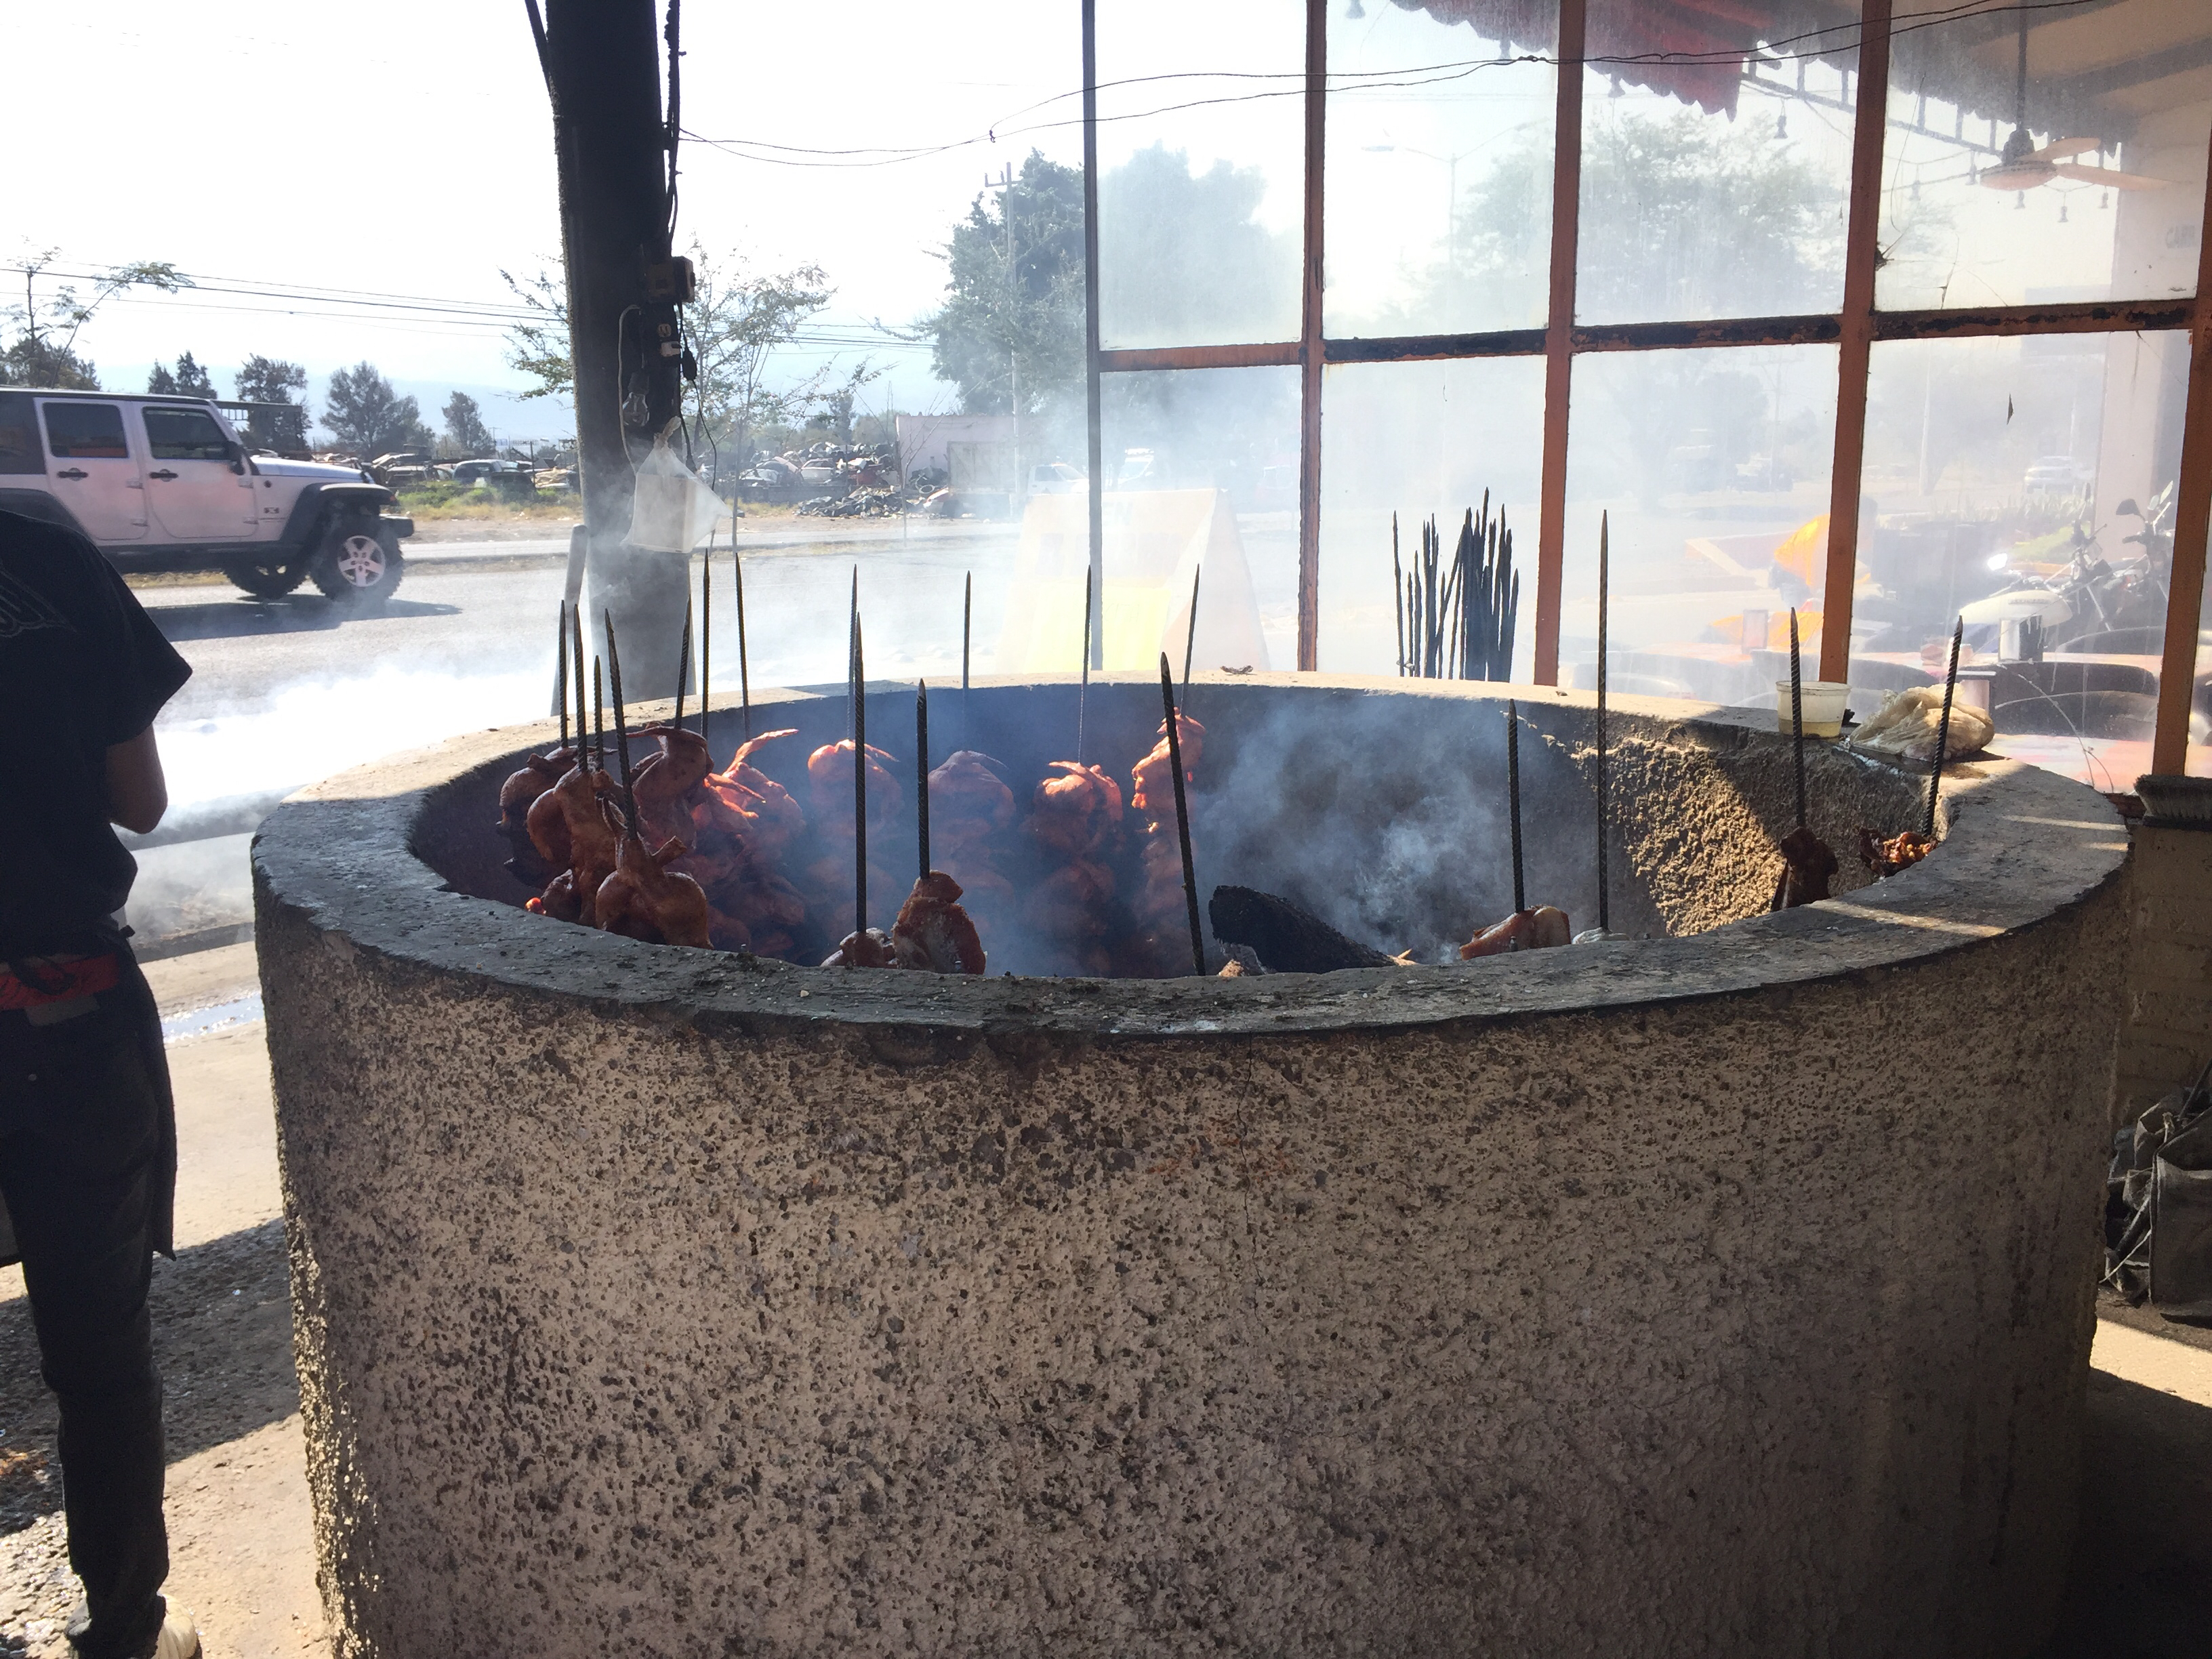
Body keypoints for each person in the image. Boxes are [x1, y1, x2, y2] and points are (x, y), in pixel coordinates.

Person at [0, 506, 199, 1659]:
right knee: (100, 1360)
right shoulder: (35, 544)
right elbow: (141, 799)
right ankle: (125, 1630)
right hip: (61, 1016)